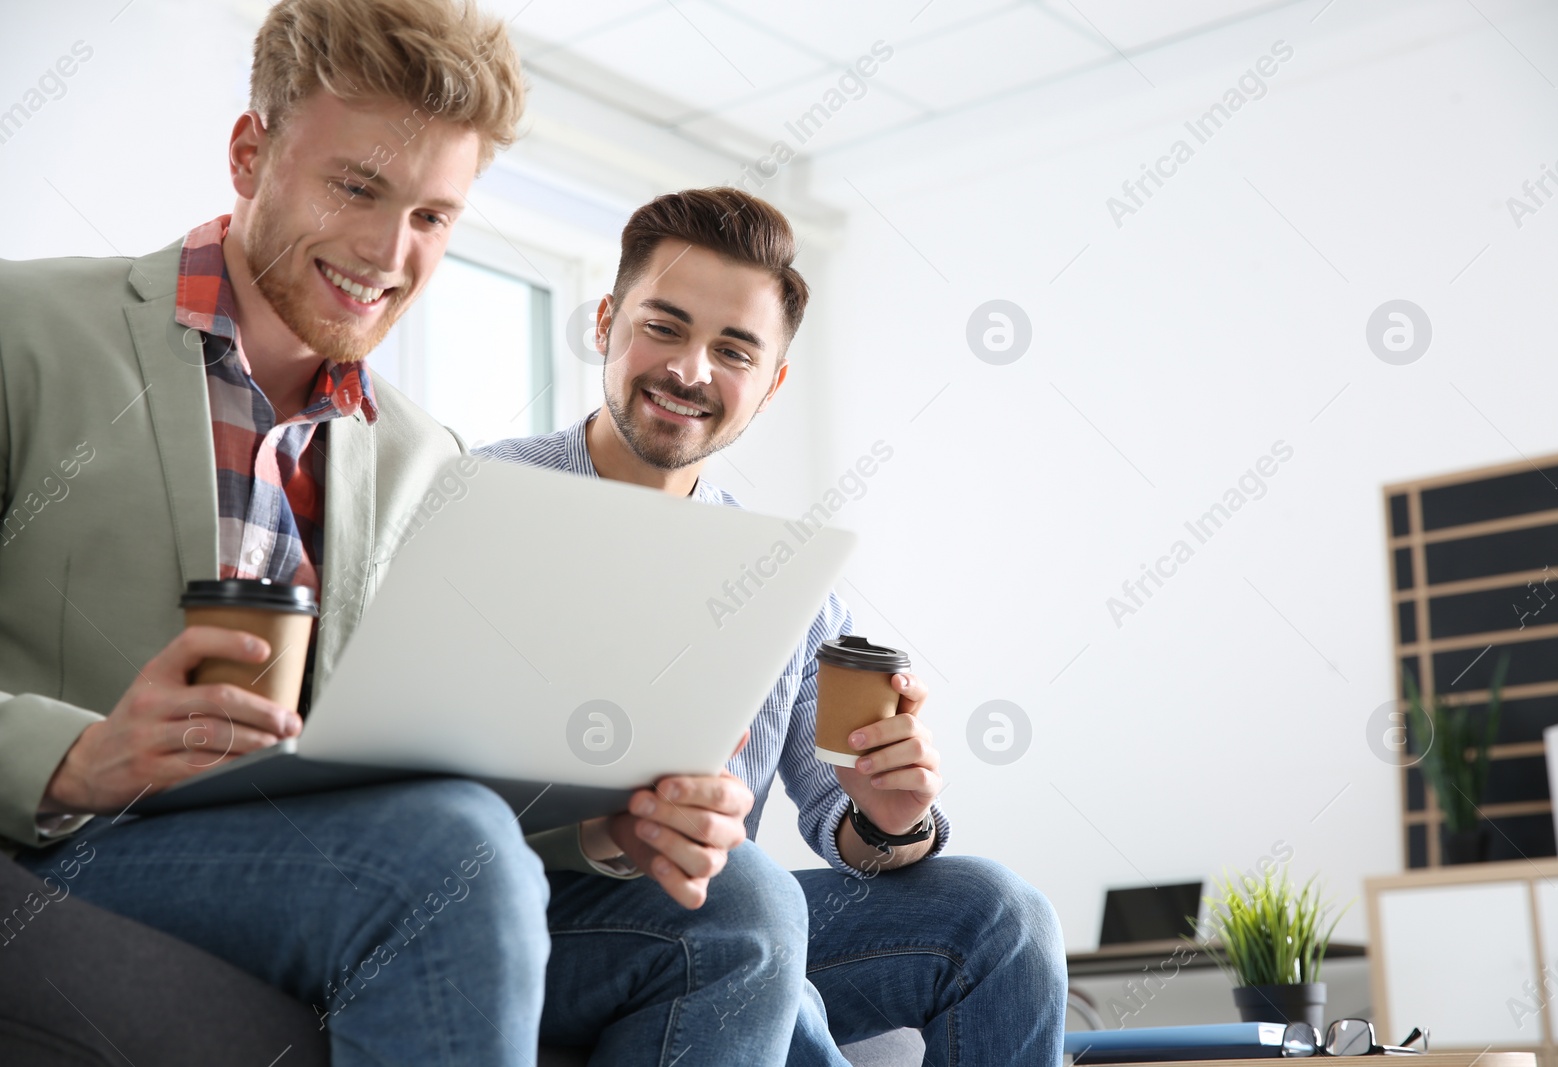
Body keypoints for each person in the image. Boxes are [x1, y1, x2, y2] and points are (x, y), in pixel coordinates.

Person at [1, 3, 807, 1063]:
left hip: (342, 858)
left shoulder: (428, 456)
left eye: (433, 217)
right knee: (438, 851)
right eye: (356, 187)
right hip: (79, 843)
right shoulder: (29, 333)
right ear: (252, 155)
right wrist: (75, 754)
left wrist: (613, 829)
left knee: (740, 901)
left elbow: (424, 764)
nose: (389, 253)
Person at [477, 187, 1069, 1065]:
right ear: (606, 321)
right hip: (535, 910)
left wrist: (890, 818)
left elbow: (842, 820)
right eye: (664, 327)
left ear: (771, 382)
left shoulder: (781, 577)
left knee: (1001, 916)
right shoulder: (488, 499)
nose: (690, 371)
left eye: (733, 350)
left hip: (726, 907)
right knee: (754, 914)